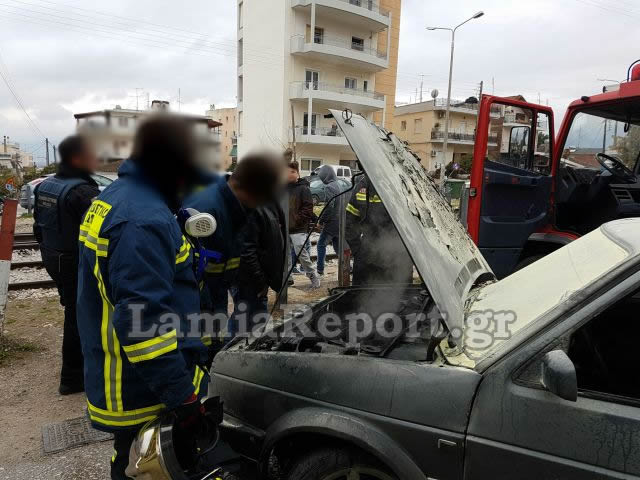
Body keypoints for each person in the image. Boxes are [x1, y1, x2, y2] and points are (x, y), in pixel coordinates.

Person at [76, 115, 209, 480]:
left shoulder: (117, 198)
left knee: (130, 458)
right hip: (140, 388)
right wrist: (183, 396)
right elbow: (143, 323)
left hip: (123, 370)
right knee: (150, 465)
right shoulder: (142, 220)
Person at [185, 151, 286, 337]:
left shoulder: (234, 206)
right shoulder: (207, 212)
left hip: (216, 292)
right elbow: (192, 272)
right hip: (198, 300)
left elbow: (227, 257)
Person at [33, 134, 100, 395]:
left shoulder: (46, 186)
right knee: (79, 315)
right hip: (74, 262)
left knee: (72, 311)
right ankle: (72, 378)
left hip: (53, 256)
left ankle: (76, 370)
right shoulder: (82, 192)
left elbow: (39, 226)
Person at [231, 198, 286, 336]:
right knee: (244, 322)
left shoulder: (270, 203)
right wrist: (260, 282)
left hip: (258, 281)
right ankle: (228, 353)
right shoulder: (250, 206)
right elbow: (246, 251)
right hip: (249, 281)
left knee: (255, 322)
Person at [346, 174, 414, 285]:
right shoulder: (364, 185)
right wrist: (358, 250)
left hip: (398, 256)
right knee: (365, 296)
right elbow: (350, 221)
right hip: (372, 256)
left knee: (400, 297)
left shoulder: (405, 183)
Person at [286, 159, 320, 288]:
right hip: (285, 228)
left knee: (301, 253)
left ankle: (312, 276)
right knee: (286, 255)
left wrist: (297, 220)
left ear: (298, 173)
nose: (290, 174)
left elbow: (308, 208)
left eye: (293, 171)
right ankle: (288, 277)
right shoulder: (282, 189)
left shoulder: (303, 189)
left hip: (298, 228)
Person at [315, 165, 342, 277]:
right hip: (340, 221)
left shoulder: (330, 187)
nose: (322, 180)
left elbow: (329, 206)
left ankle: (320, 270)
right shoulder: (339, 185)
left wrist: (321, 221)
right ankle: (347, 267)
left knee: (321, 245)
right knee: (337, 246)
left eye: (322, 177)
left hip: (331, 222)